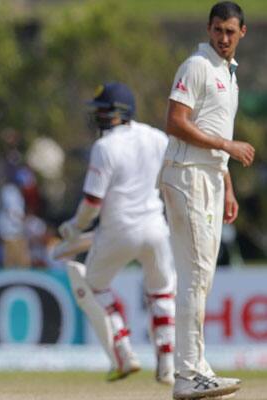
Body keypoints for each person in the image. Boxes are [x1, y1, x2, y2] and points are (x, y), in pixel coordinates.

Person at [158, 2, 254, 399]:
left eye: (231, 31)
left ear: (242, 32)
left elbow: (212, 125)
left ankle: (196, 368)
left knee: (201, 278)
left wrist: (227, 183)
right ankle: (188, 374)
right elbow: (175, 121)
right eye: (218, 30)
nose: (224, 38)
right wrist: (227, 147)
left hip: (209, 177)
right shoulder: (197, 65)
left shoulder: (228, 75)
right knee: (196, 277)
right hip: (186, 175)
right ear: (209, 29)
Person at [58, 82, 176, 384]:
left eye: (104, 112)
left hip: (118, 230)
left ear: (120, 114)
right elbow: (171, 181)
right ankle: (167, 364)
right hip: (155, 227)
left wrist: (74, 227)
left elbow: (92, 203)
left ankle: (124, 351)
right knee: (162, 292)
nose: (99, 118)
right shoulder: (157, 137)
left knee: (94, 287)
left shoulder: (105, 147)